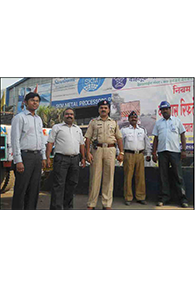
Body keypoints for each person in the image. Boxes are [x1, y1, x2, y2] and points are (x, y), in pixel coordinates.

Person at [85, 100, 124, 210]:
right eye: (101, 107)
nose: (103, 109)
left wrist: (121, 152)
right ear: (98, 109)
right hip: (97, 150)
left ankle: (107, 204)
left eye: (105, 108)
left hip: (110, 150)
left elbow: (119, 138)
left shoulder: (114, 122)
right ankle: (91, 203)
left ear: (108, 110)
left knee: (109, 177)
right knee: (94, 178)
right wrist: (88, 152)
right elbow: (87, 138)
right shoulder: (93, 122)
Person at [11, 92, 46, 210]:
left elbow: (41, 138)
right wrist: (18, 160)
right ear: (25, 103)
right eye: (32, 100)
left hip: (37, 157)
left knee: (34, 189)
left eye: (37, 101)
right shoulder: (19, 117)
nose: (35, 103)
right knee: (21, 188)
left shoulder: (38, 119)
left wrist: (44, 157)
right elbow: (15, 140)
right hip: (25, 156)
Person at [46, 108, 86, 210]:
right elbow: (50, 143)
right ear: (63, 116)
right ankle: (56, 208)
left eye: (71, 114)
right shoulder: (57, 127)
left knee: (72, 184)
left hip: (75, 160)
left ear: (74, 116)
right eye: (67, 114)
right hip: (61, 159)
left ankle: (68, 208)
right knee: (59, 185)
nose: (69, 116)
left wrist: (83, 158)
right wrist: (47, 158)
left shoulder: (78, 129)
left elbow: (82, 144)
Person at [152, 101, 188, 208]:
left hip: (175, 152)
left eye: (166, 109)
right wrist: (154, 152)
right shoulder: (158, 123)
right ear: (161, 111)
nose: (164, 111)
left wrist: (184, 150)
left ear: (170, 109)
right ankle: (164, 197)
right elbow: (156, 139)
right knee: (163, 176)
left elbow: (182, 136)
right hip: (162, 152)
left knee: (178, 175)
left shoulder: (177, 121)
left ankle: (182, 198)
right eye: (162, 109)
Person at [121, 111, 151, 205]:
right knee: (128, 176)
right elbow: (120, 143)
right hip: (128, 154)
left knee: (140, 177)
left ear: (137, 119)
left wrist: (148, 153)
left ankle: (140, 197)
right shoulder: (124, 130)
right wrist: (120, 154)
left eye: (135, 117)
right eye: (131, 118)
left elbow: (147, 142)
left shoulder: (142, 130)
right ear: (129, 119)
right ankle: (128, 198)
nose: (133, 119)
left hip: (140, 155)